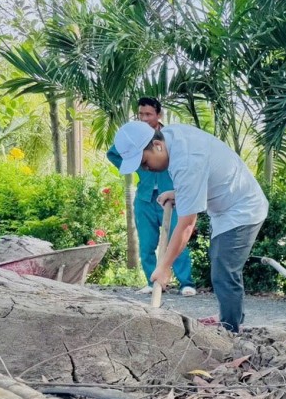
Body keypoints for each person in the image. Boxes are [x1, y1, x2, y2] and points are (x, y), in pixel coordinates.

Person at [111, 120, 269, 333]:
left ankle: (231, 331)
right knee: (220, 262)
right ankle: (229, 316)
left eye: (145, 162)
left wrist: (165, 267)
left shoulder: (186, 161)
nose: (145, 168)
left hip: (243, 208)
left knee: (224, 270)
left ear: (157, 145)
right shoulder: (171, 137)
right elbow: (203, 174)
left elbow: (186, 225)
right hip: (224, 207)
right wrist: (179, 194)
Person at [106, 98, 196, 296]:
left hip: (172, 196)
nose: (145, 118)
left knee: (177, 236)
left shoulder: (168, 138)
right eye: (141, 114)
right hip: (145, 197)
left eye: (149, 114)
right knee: (146, 242)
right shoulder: (134, 138)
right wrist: (138, 165)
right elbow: (112, 153)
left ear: (158, 115)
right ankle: (152, 281)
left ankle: (186, 283)